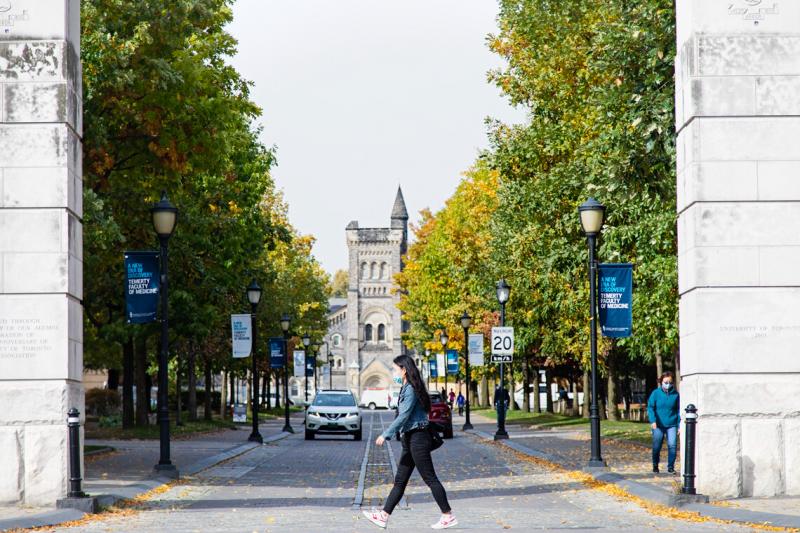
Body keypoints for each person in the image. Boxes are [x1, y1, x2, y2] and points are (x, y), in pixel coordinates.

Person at [362, 356, 457, 530]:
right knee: (400, 481)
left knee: (430, 478)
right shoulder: (407, 387)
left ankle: (447, 515)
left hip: (418, 438)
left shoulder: (411, 389)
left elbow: (404, 415)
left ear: (404, 370)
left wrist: (386, 434)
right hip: (410, 438)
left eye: (395, 369)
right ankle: (383, 516)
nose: (393, 373)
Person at [647, 371, 680, 474]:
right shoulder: (655, 393)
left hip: (672, 424)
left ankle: (670, 467)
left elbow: (678, 410)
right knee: (657, 446)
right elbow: (650, 407)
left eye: (670, 382)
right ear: (661, 382)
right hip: (658, 425)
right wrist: (653, 421)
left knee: (672, 445)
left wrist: (679, 425)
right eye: (666, 382)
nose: (668, 384)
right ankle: (655, 465)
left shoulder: (676, 394)